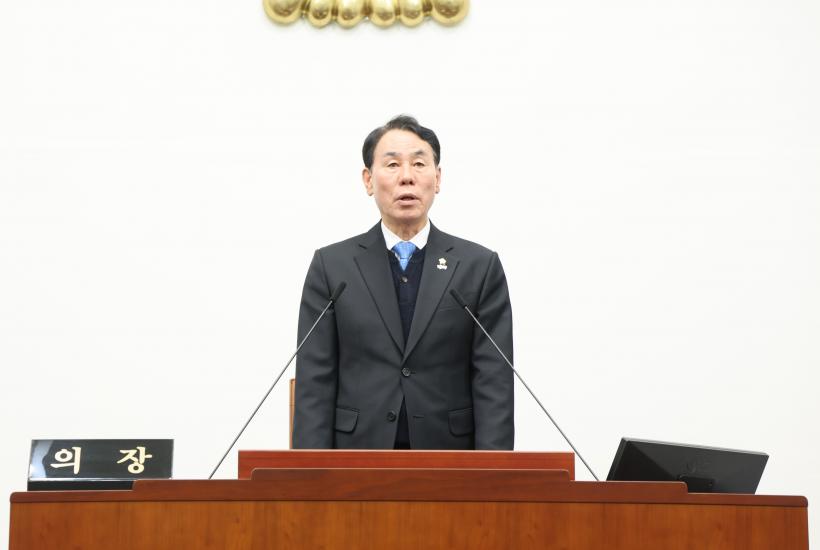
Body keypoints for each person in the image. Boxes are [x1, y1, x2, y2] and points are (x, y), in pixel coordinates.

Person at [292, 115, 514, 450]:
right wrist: (310, 474)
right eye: (392, 164)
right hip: (357, 458)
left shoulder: (478, 267)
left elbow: (494, 383)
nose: (407, 176)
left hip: (450, 459)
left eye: (419, 164)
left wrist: (493, 473)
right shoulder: (332, 268)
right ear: (368, 180)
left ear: (437, 179)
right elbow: (315, 383)